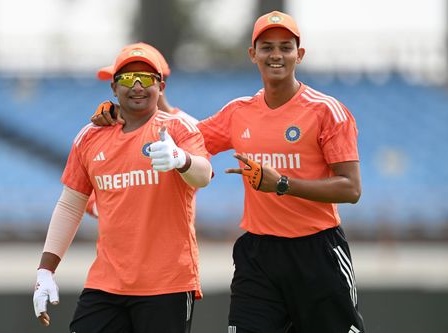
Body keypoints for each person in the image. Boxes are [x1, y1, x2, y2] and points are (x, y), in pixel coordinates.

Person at [91, 11, 365, 333]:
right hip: (258, 255)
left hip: (317, 252)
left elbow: (351, 189)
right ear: (253, 55)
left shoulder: (326, 111)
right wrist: (122, 113)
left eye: (285, 47)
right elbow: (185, 137)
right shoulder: (239, 111)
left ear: (299, 55)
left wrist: (282, 185)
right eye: (266, 47)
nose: (276, 55)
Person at [33, 44, 212, 333]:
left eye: (146, 78)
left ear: (161, 86)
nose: (138, 85)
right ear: (114, 88)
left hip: (167, 284)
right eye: (128, 79)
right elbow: (70, 204)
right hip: (106, 284)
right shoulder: (89, 137)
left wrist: (181, 159)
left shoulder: (179, 128)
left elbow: (203, 175)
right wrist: (45, 270)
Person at [86, 42, 198, 218]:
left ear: (160, 84)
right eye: (124, 80)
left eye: (140, 78)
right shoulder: (115, 123)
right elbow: (90, 186)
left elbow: (199, 176)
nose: (133, 87)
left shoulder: (187, 127)